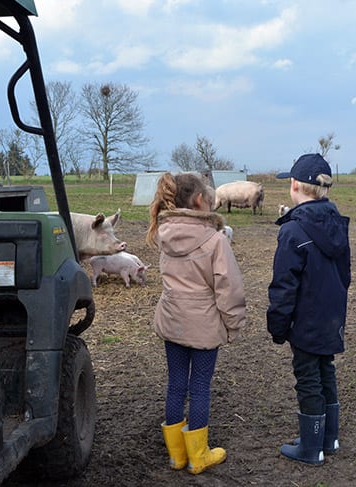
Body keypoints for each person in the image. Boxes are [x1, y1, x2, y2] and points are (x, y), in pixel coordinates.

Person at [146, 172, 247, 475]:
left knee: (176, 385)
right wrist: (233, 325)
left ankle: (177, 455)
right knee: (200, 387)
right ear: (202, 200)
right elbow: (229, 288)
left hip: (172, 321)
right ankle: (198, 455)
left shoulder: (163, 234)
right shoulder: (215, 240)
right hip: (203, 326)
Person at [266, 153, 351, 465]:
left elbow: (283, 286)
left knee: (308, 378)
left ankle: (311, 449)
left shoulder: (293, 231)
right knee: (325, 369)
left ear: (293, 185)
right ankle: (329, 438)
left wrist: (278, 325)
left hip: (305, 321)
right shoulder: (337, 222)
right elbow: (345, 274)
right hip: (331, 316)